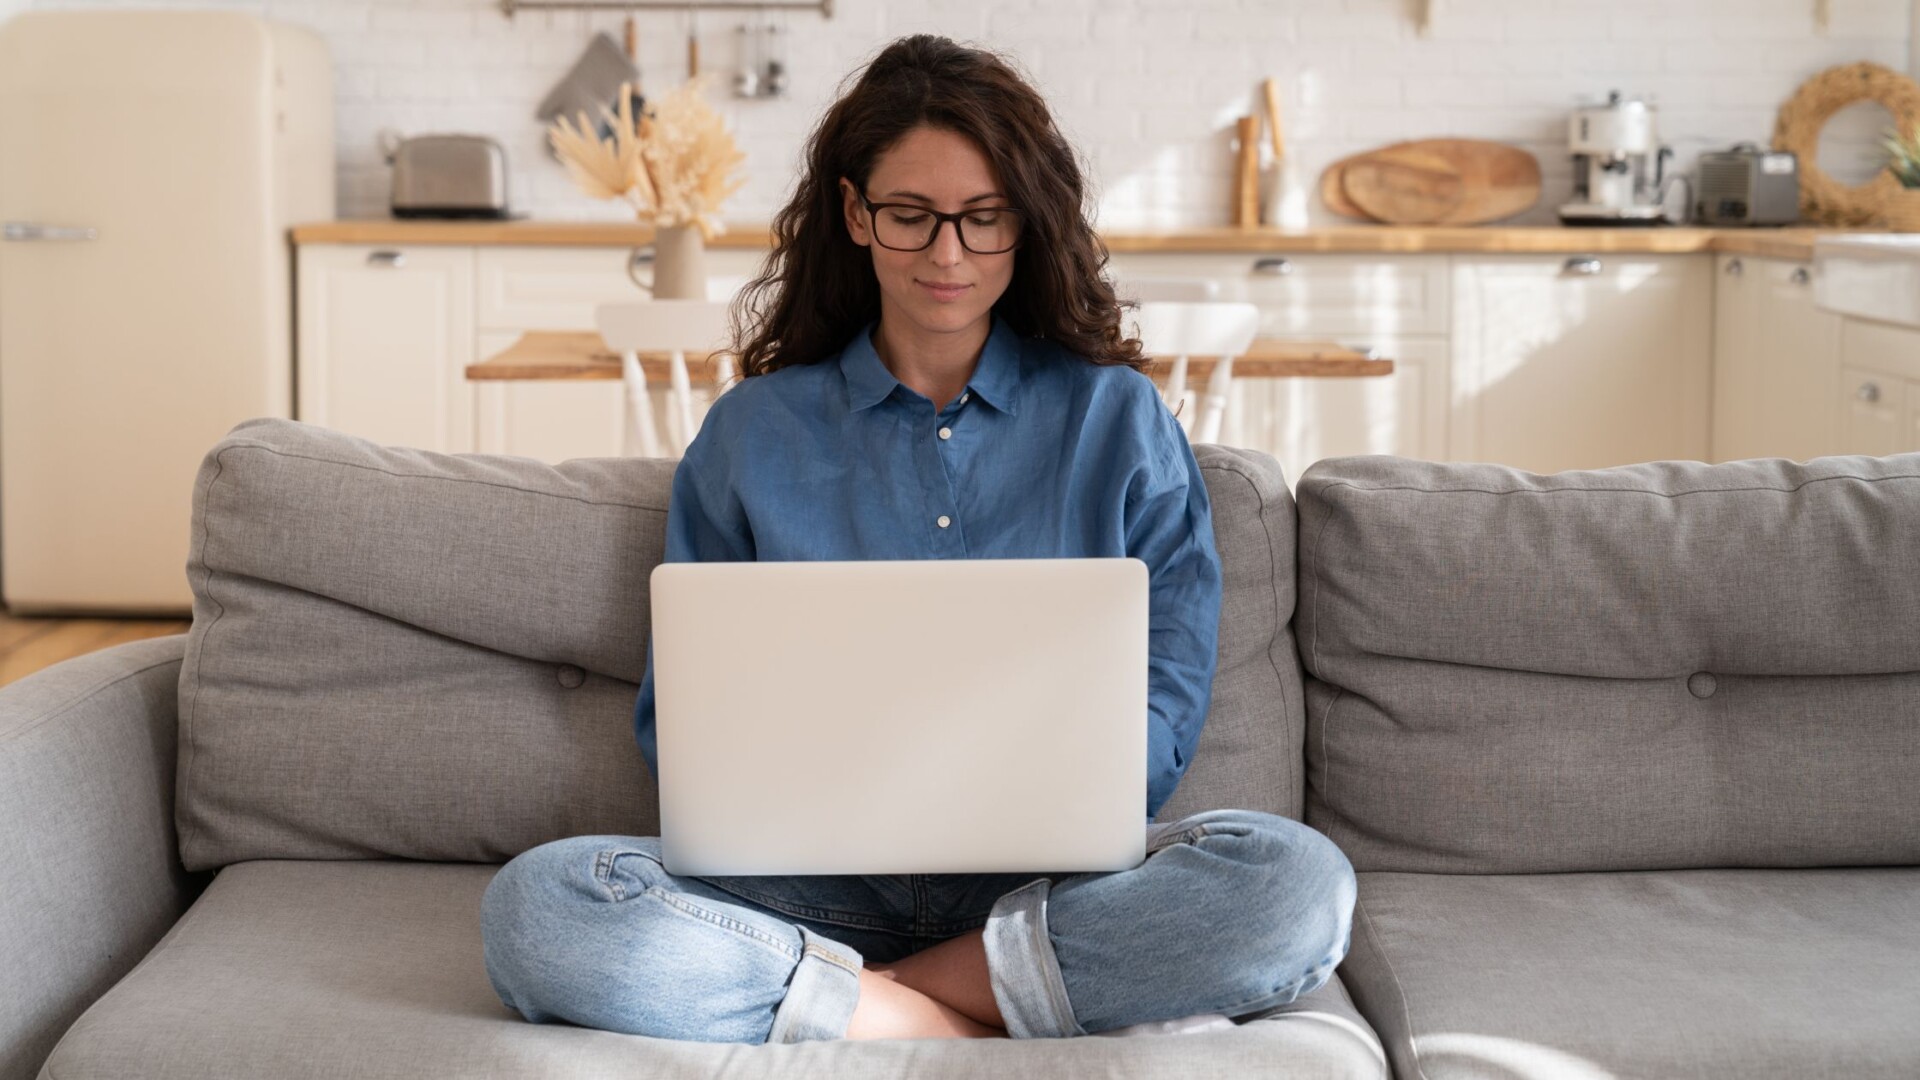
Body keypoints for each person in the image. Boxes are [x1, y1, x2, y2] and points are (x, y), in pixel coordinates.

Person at [479, 33, 1355, 1046]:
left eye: (984, 219)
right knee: (541, 908)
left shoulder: (1116, 422)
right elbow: (680, 723)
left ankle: (858, 999)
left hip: (1049, 885)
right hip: (802, 887)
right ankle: (964, 1010)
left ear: (1026, 224)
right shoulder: (753, 434)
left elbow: (1163, 701)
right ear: (856, 214)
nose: (949, 255)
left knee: (1298, 883)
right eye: (912, 216)